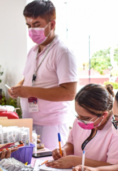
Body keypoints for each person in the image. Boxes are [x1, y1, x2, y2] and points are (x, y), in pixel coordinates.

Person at [8, 0, 78, 150]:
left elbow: (69, 93)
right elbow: (30, 79)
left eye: (37, 25)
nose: (32, 29)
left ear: (52, 25)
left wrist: (29, 91)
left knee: (49, 167)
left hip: (52, 126)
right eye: (29, 25)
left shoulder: (63, 52)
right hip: (30, 122)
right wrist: (19, 87)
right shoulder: (33, 51)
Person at [46, 84, 118, 169]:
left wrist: (75, 161)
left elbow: (114, 167)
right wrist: (64, 150)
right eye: (78, 115)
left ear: (103, 115)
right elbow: (71, 144)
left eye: (86, 118)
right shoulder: (79, 121)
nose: (80, 120)